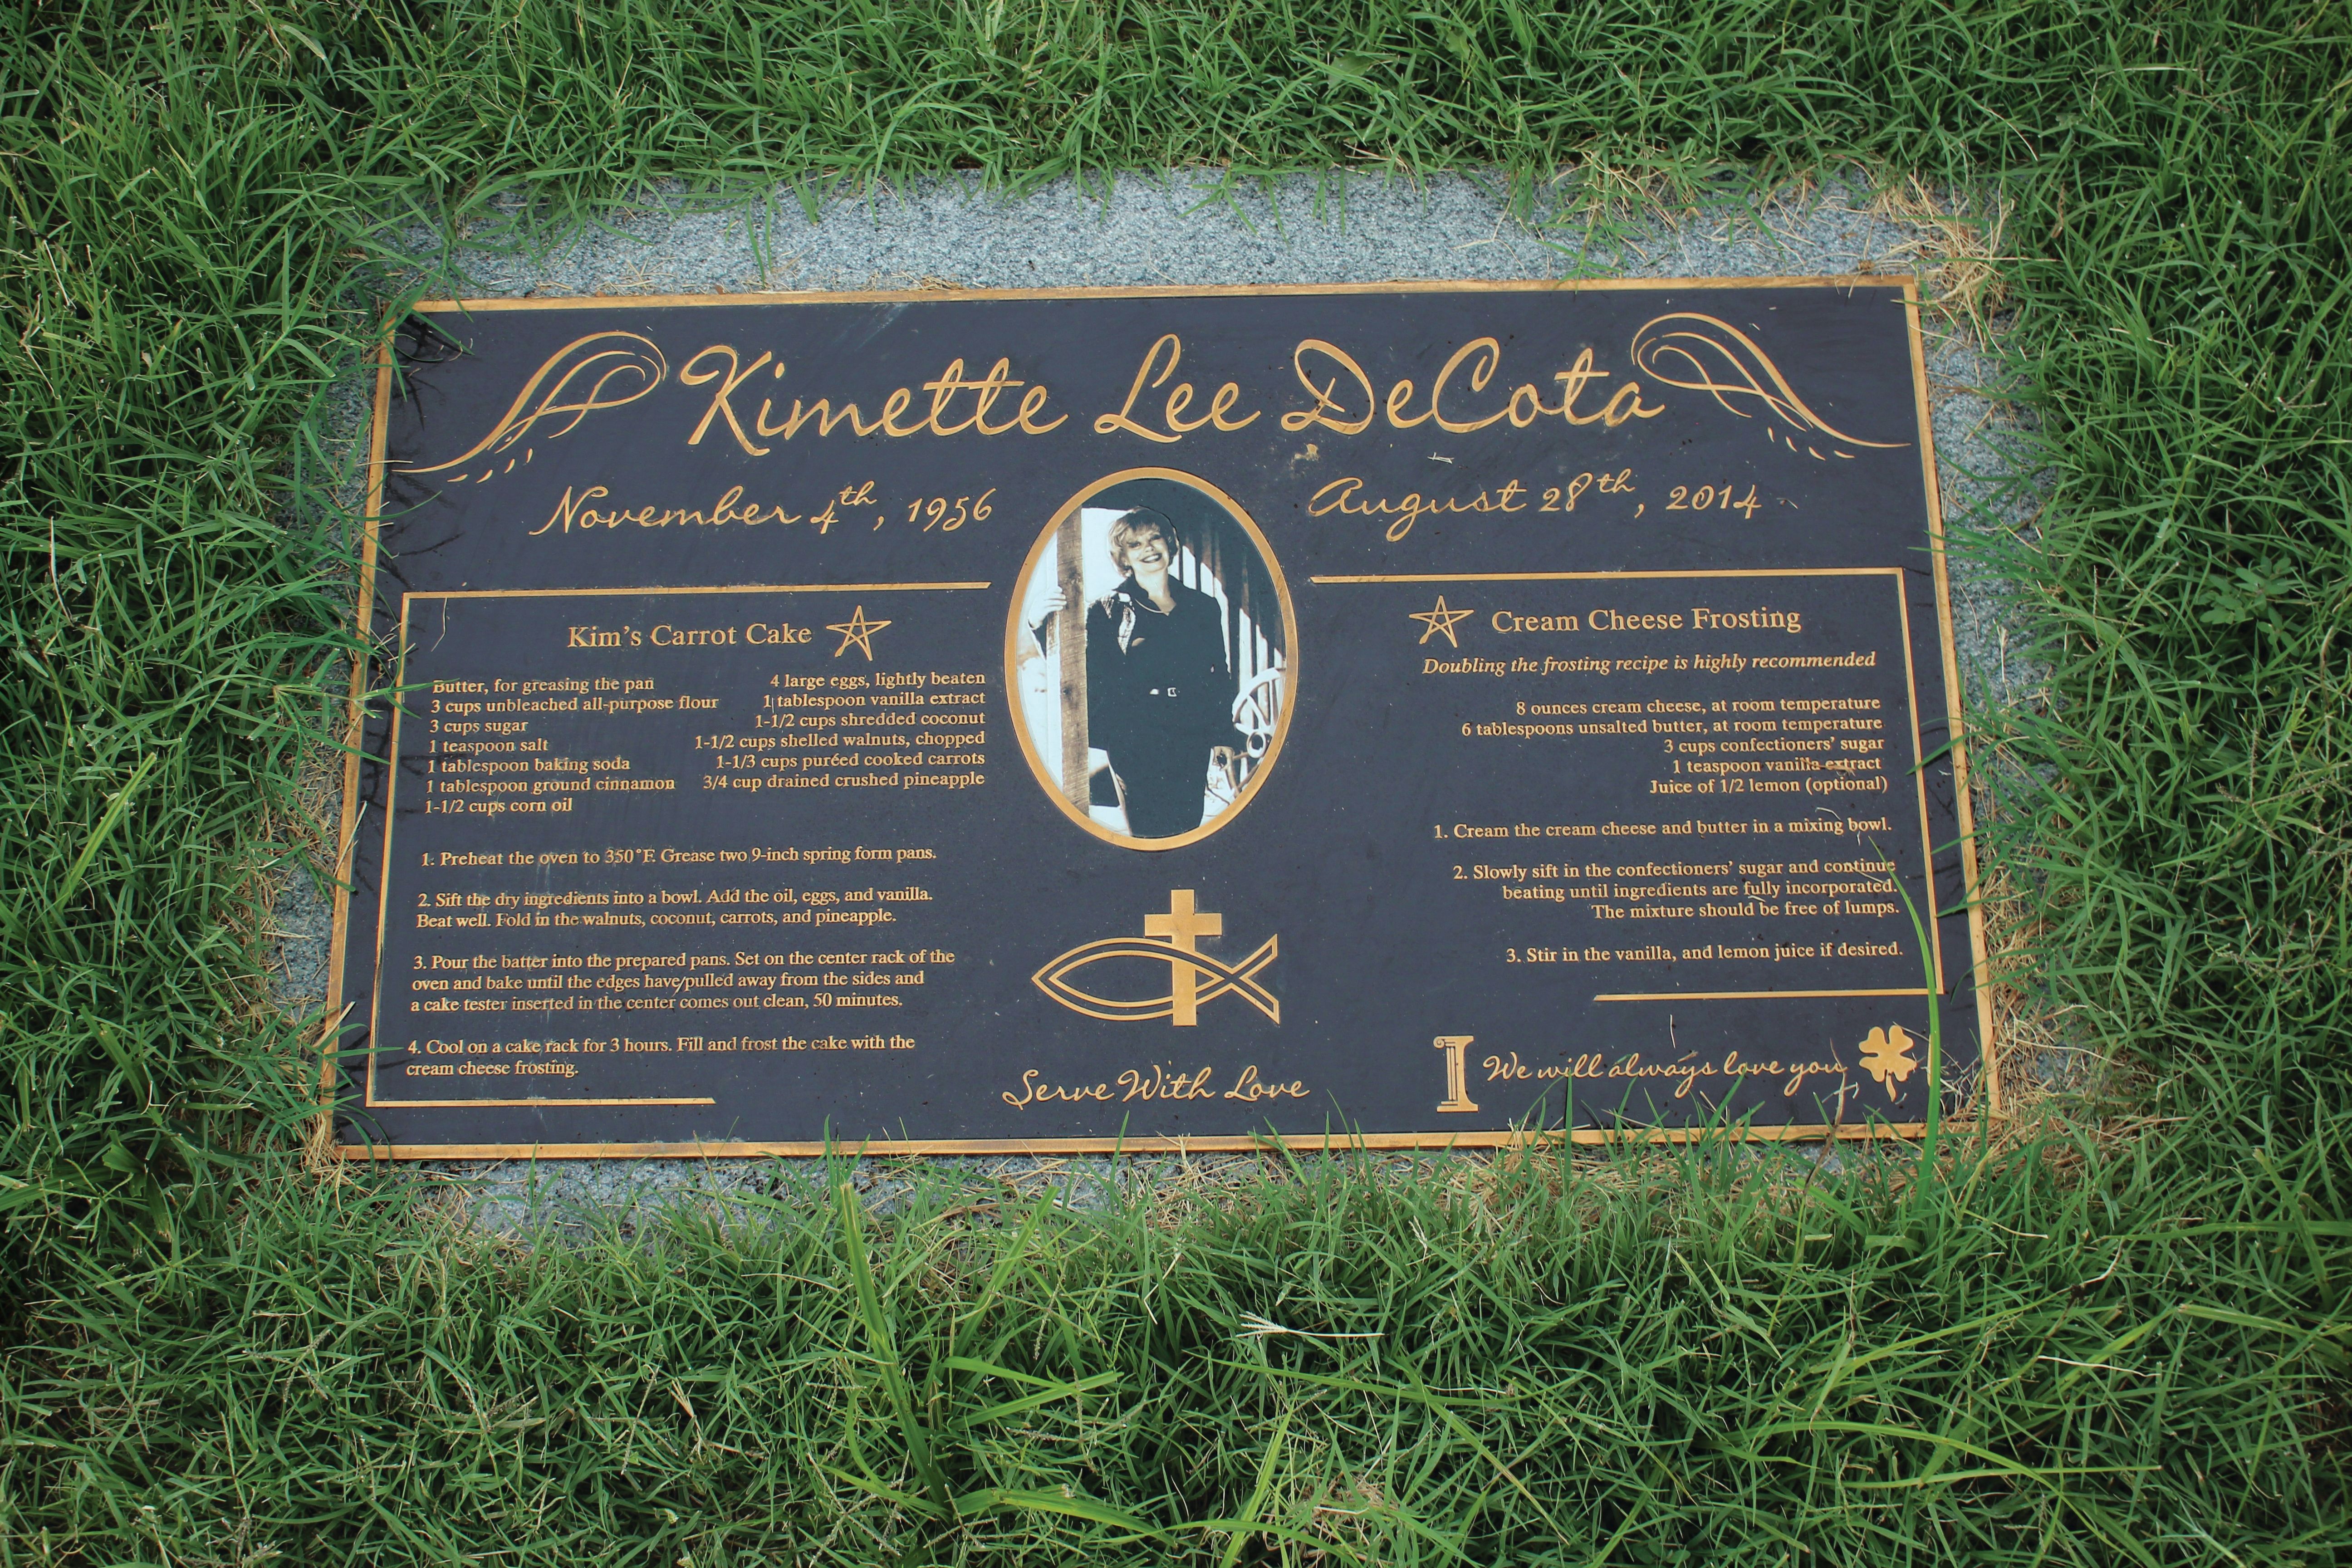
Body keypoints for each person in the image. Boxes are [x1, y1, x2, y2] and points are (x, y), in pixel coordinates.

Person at [1033, 508, 1242, 838]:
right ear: (1124, 558)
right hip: (1136, 737)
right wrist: (1038, 623)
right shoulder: (1107, 610)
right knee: (1147, 831)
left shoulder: (1203, 607)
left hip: (1191, 733)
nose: (1148, 548)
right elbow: (1081, 672)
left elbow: (1218, 676)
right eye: (1135, 544)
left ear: (1169, 545)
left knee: (1188, 826)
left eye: (1154, 538)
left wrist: (1222, 735)